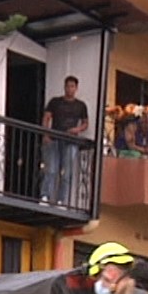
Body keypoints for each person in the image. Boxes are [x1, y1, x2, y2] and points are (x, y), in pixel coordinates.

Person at [41, 75, 90, 204]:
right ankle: (45, 196)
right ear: (64, 87)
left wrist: (76, 129)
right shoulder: (55, 102)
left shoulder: (81, 105)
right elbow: (46, 118)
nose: (70, 89)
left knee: (66, 173)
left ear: (76, 88)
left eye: (72, 86)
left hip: (71, 142)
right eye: (68, 86)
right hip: (54, 139)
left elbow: (85, 123)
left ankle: (61, 200)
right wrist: (45, 134)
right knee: (51, 169)